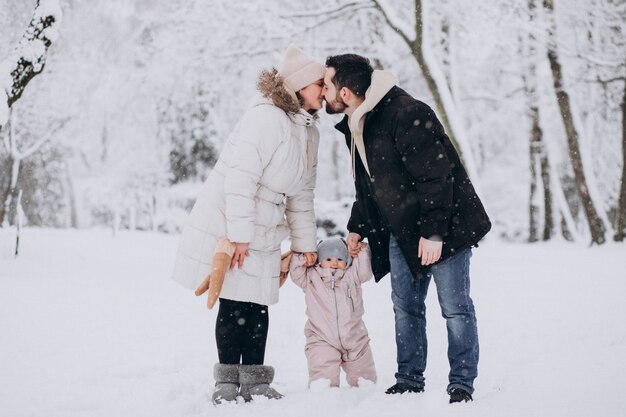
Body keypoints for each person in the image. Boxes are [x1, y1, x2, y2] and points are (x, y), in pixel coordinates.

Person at [322, 54, 491, 403]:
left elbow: (436, 178)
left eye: (327, 85)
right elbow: (370, 184)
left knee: (455, 308)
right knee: (406, 307)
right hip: (401, 229)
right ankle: (409, 378)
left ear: (348, 91)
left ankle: (461, 382)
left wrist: (433, 234)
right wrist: (358, 227)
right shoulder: (358, 123)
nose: (323, 92)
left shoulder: (406, 112)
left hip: (447, 227)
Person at [171, 45, 325, 404]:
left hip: (268, 227)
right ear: (301, 86)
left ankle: (255, 379)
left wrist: (306, 246)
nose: (324, 90)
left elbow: (302, 195)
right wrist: (239, 236)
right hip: (236, 222)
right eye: (319, 83)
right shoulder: (265, 117)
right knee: (234, 301)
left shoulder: (309, 132)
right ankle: (226, 379)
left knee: (259, 303)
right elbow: (239, 179)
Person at [289, 236, 377, 388]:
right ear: (319, 260)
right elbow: (296, 272)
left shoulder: (352, 275)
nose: (334, 263)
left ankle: (365, 396)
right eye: (328, 258)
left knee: (365, 380)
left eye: (340, 258)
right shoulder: (311, 277)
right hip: (321, 338)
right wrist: (302, 257)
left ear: (347, 260)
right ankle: (324, 395)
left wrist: (362, 250)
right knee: (323, 377)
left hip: (355, 336)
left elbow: (365, 272)